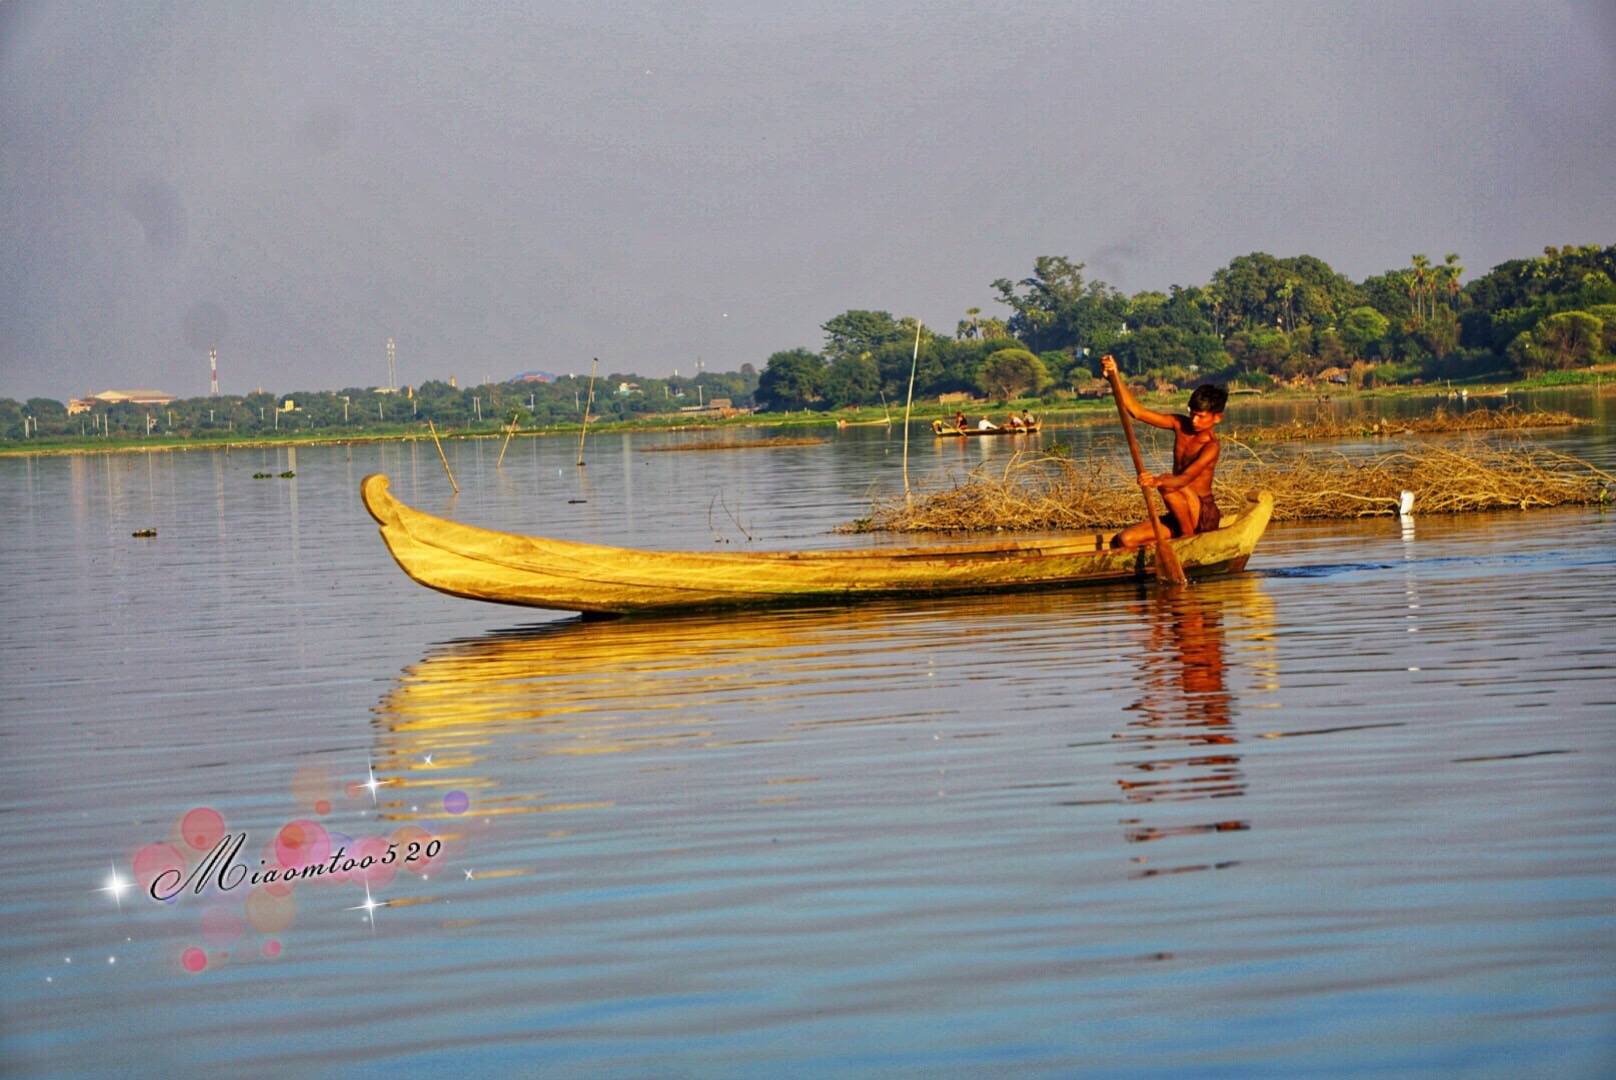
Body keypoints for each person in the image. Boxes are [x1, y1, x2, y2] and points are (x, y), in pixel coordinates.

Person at [1101, 354, 1229, 547]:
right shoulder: (1179, 423)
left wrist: (1156, 481)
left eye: (1200, 416)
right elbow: (1138, 412)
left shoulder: (1211, 446)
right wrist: (1114, 377)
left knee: (1168, 482)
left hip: (1201, 514)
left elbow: (1184, 479)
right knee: (1125, 540)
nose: (1194, 421)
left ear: (1217, 418)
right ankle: (1177, 538)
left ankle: (1184, 539)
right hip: (1178, 510)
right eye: (1192, 414)